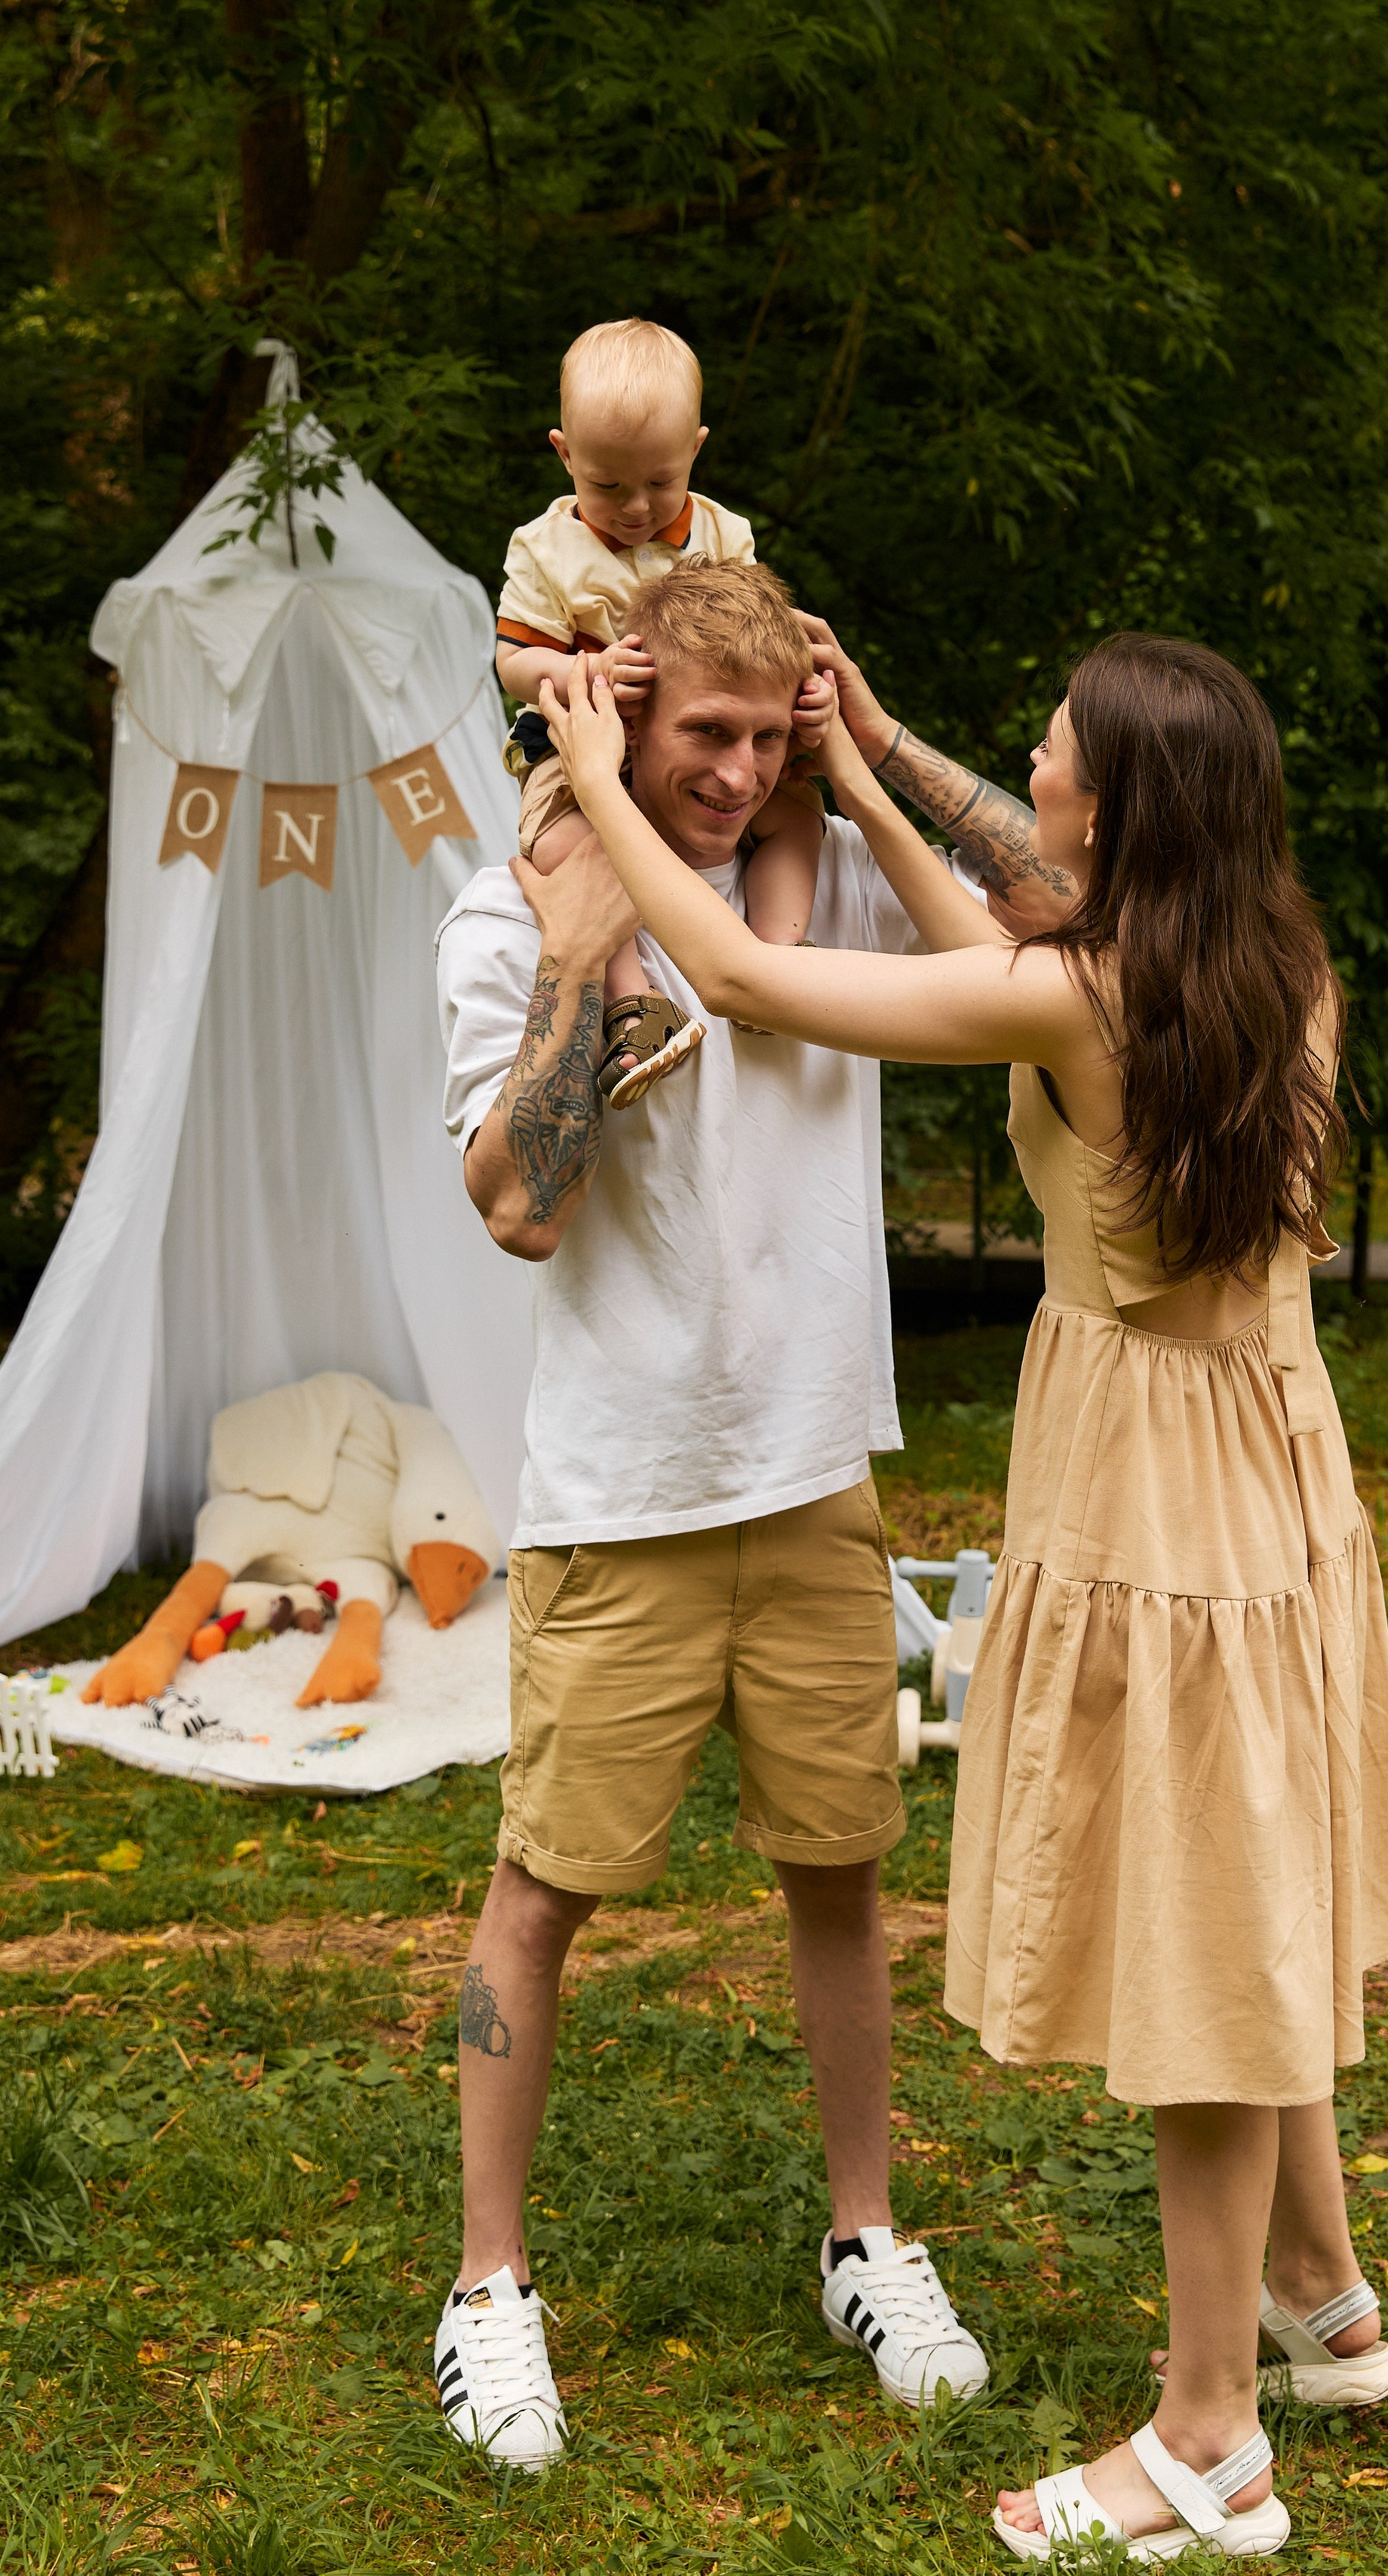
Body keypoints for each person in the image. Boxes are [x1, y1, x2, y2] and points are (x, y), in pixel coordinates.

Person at [542, 629, 1388, 2565]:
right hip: (1274, 1474)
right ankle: (1320, 2295)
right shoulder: (1266, 966)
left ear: (1104, 807)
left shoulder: (1081, 994)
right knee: (1255, 1882)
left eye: (1048, 744)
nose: (1023, 758)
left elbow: (750, 973)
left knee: (1197, 1946)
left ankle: (1206, 2438)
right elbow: (1008, 964)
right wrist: (857, 772)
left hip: (1154, 1497)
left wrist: (586, 772)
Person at [431, 555, 989, 2470]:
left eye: (767, 738)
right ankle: (488, 2288)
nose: (737, 773)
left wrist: (873, 743)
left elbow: (1054, 924)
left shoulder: (828, 883)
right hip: (626, 1496)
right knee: (542, 1893)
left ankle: (866, 2232)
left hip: (817, 1479)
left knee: (840, 1870)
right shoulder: (505, 913)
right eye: (704, 735)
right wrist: (588, 941)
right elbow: (517, 1203)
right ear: (622, 714)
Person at [493, 317, 828, 1105]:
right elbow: (512, 663)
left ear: (696, 452)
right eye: (607, 485)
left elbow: (758, 645)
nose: (637, 508)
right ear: (564, 453)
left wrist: (802, 687)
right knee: (570, 848)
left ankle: (775, 963)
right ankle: (633, 999)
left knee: (796, 814)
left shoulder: (722, 533)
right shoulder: (544, 549)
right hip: (576, 741)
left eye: (660, 482)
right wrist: (588, 667)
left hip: (696, 740)